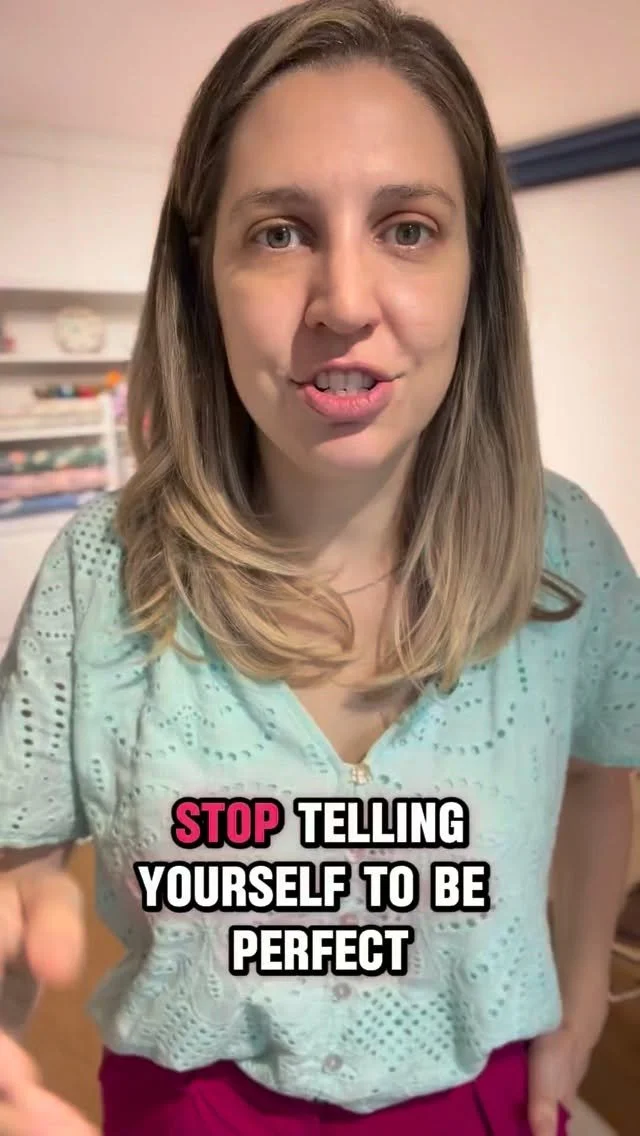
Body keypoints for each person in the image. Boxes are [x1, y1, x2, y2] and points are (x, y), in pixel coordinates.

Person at [0, 0, 638, 1132]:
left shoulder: (568, 552)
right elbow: (22, 861)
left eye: (408, 227)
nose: (344, 303)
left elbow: (597, 773)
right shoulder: (100, 573)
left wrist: (583, 986)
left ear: (478, 271)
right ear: (202, 274)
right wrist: (26, 917)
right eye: (280, 232)